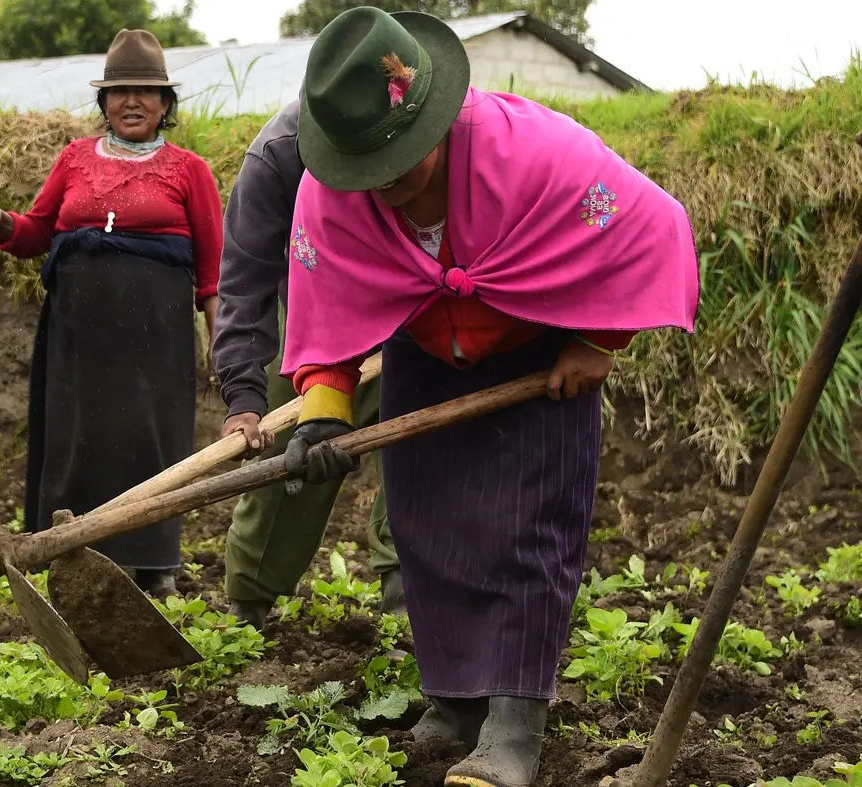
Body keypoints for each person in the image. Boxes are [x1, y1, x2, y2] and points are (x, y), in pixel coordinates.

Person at [280, 8, 699, 787]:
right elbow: (326, 298)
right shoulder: (330, 193)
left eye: (401, 168)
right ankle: (456, 700)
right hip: (422, 347)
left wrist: (599, 342)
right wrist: (323, 408)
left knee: (528, 530)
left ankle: (514, 721)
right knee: (423, 521)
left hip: (539, 348)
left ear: (433, 119)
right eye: (368, 174)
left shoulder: (536, 153)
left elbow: (654, 226)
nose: (386, 190)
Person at [0, 29, 223, 598]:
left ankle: (155, 565)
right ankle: (69, 552)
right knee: (75, 436)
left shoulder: (189, 171)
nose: (132, 102)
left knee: (150, 440)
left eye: (147, 92)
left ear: (166, 104)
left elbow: (212, 269)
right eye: (119, 91)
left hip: (155, 338)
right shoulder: (75, 158)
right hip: (77, 334)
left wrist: (219, 339)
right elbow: (37, 230)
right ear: (103, 101)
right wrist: (3, 222)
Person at [212, 97, 403, 631]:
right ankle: (250, 607)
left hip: (414, 324)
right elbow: (244, 280)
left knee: (420, 464)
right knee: (292, 467)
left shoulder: (428, 130)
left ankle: (409, 606)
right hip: (314, 333)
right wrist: (244, 395)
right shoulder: (278, 156)